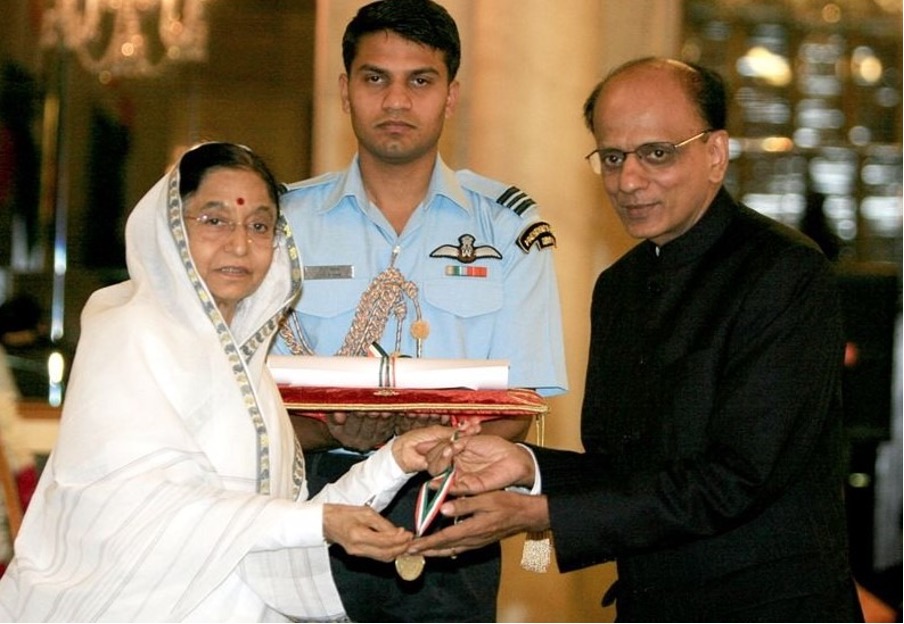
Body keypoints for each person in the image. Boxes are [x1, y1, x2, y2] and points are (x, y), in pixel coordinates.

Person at [410, 57, 865, 622]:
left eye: (657, 154)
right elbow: (625, 467)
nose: (628, 181)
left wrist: (544, 513)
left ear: (716, 154)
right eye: (612, 157)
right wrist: (526, 466)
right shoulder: (620, 286)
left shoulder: (785, 273)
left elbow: (734, 479)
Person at [0, 142, 461, 622]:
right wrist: (319, 521)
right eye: (214, 220)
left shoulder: (248, 366)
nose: (240, 244)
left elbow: (278, 526)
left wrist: (394, 461)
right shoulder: (130, 333)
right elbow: (141, 507)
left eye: (259, 225)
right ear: (173, 227)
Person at [271, 0, 567, 621]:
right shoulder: (281, 226)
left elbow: (523, 400)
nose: (397, 101)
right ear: (345, 89)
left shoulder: (513, 229)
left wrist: (422, 450)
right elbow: (243, 398)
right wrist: (330, 431)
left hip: (449, 506)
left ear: (451, 95)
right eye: (375, 78)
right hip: (305, 504)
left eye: (420, 80)